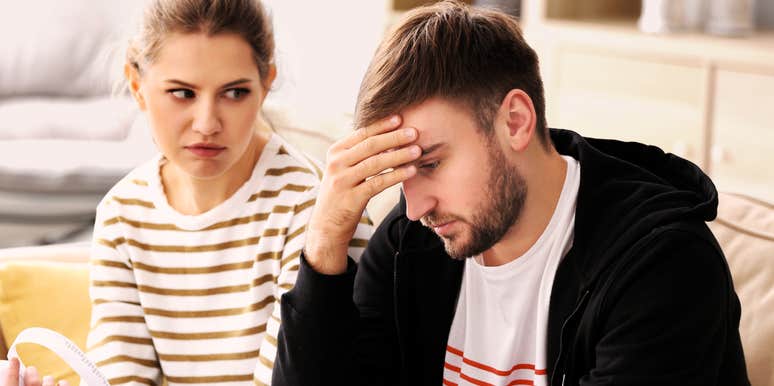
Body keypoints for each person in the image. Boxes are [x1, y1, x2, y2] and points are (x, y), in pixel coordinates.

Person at [272, 1, 750, 385]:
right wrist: (326, 238)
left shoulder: (663, 266)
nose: (415, 206)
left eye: (432, 164)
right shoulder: (410, 244)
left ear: (515, 121)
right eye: (401, 173)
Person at [3, 1, 373, 386]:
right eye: (182, 93)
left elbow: (299, 376)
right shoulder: (122, 214)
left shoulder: (316, 208)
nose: (207, 123)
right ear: (137, 87)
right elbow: (120, 377)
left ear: (265, 85)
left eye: (234, 93)